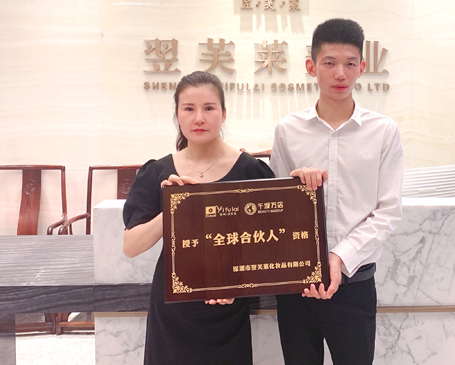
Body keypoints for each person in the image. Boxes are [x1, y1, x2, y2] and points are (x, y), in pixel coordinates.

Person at [270, 18, 404, 364]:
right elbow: (276, 207)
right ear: (311, 67)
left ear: (362, 67)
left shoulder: (383, 132)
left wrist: (339, 257)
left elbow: (388, 210)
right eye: (329, 63)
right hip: (297, 286)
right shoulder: (287, 130)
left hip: (354, 283)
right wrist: (293, 186)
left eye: (349, 64)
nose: (340, 74)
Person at [122, 71, 274, 365]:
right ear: (177, 115)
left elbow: (273, 244)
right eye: (189, 109)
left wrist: (239, 285)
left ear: (223, 113)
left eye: (209, 108)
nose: (199, 118)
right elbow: (131, 246)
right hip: (172, 311)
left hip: (228, 313)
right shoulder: (158, 172)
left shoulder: (250, 170)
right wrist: (174, 208)